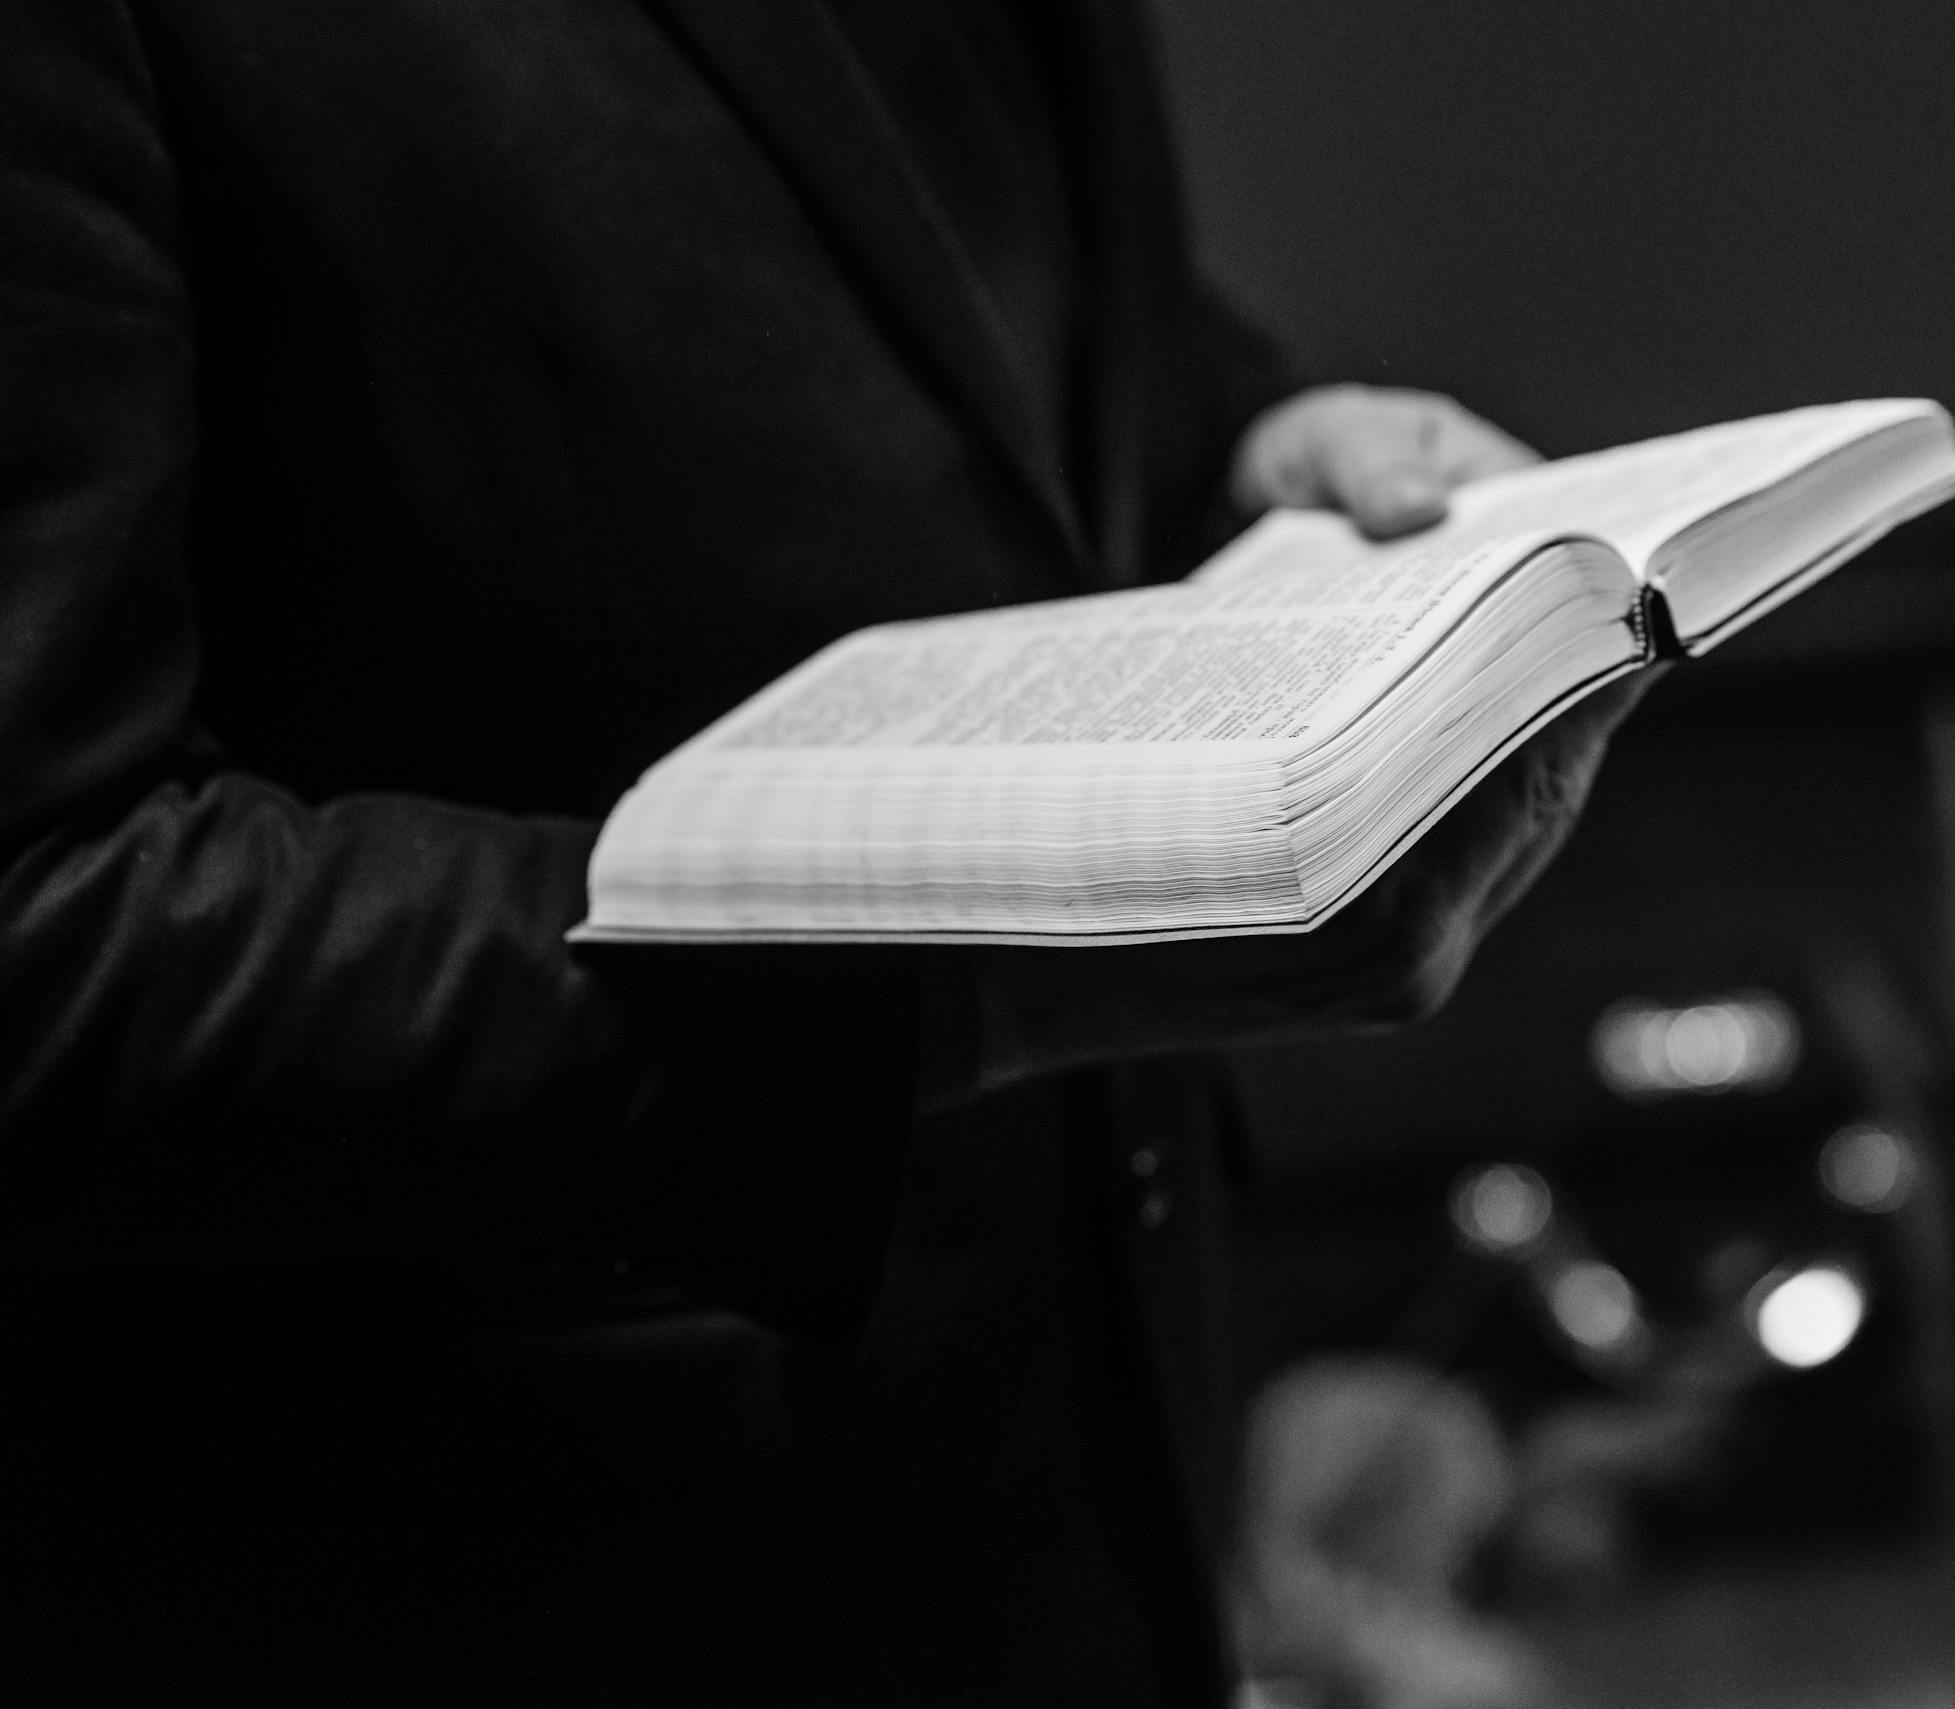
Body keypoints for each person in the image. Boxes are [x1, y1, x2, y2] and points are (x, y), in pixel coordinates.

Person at [0, 2, 1652, 1700]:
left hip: (1084, 1487)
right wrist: (937, 981)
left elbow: (926, 293)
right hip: (511, 1579)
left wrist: (1236, 444)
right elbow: (37, 928)